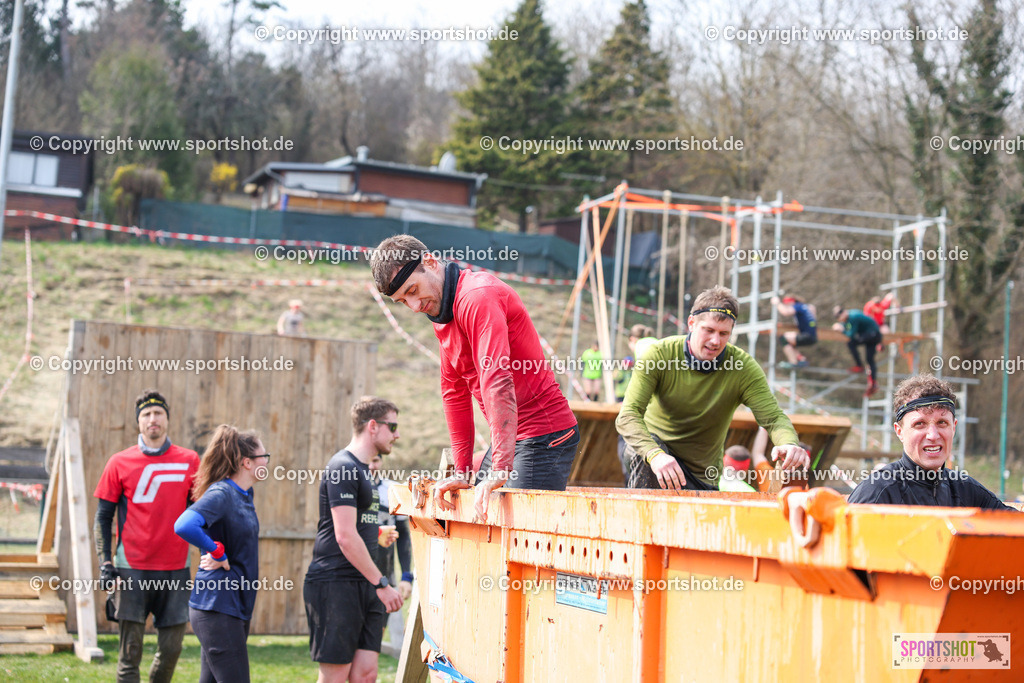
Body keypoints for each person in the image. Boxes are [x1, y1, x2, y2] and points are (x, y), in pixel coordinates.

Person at [370, 235, 579, 521]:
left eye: (414, 290)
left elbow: (497, 378)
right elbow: (453, 393)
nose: (415, 306)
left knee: (512, 537)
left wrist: (501, 468)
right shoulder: (443, 313)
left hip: (544, 433)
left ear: (429, 262)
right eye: (403, 301)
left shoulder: (477, 296)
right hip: (511, 436)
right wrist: (462, 471)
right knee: (475, 519)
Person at [616, 286, 809, 490]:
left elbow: (774, 418)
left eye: (724, 333)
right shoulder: (659, 355)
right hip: (655, 459)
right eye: (708, 330)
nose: (715, 341)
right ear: (691, 323)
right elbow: (628, 415)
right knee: (642, 453)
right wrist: (655, 455)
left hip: (701, 474)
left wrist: (788, 442)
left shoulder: (743, 367)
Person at [93, 390, 200, 683]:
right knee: (130, 654)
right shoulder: (119, 462)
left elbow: (202, 514)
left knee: (172, 649)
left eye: (158, 414)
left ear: (167, 419)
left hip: (176, 570)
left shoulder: (190, 461)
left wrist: (209, 554)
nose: (153, 419)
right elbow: (102, 518)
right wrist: (105, 563)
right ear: (138, 422)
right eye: (146, 415)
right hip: (131, 570)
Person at [304, 397, 404, 683]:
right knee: (336, 675)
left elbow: (358, 527)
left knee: (365, 674)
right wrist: (382, 584)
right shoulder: (343, 467)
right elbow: (345, 536)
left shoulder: (365, 471)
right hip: (336, 583)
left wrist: (377, 535)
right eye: (392, 426)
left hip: (366, 583)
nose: (397, 435)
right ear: (373, 426)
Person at [173, 425, 268, 683]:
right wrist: (216, 550)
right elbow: (184, 524)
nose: (268, 462)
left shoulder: (245, 494)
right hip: (217, 606)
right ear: (247, 462)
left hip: (233, 607)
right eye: (264, 457)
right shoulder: (222, 493)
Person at [848, 375, 1016, 509]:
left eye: (942, 423)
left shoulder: (965, 490)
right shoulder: (878, 493)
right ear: (899, 432)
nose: (933, 435)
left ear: (954, 428)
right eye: (919, 424)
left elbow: (1013, 525)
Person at [369, 454, 413, 654]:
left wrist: (406, 575)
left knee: (373, 637)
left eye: (376, 460)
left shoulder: (392, 490)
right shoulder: (350, 489)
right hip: (357, 573)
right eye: (367, 460)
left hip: (385, 574)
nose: (371, 465)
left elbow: (404, 536)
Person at [832, 306, 882, 396]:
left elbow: (851, 334)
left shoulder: (853, 317)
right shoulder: (850, 316)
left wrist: (842, 330)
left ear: (842, 314)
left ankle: (860, 366)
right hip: (871, 335)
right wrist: (843, 327)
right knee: (869, 359)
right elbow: (849, 327)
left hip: (872, 335)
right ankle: (873, 382)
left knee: (851, 343)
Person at [772, 295, 817, 369]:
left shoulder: (798, 306)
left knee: (783, 338)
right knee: (790, 342)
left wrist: (777, 303)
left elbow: (785, 312)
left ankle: (793, 362)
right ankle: (801, 359)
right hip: (812, 336)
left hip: (807, 335)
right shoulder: (804, 307)